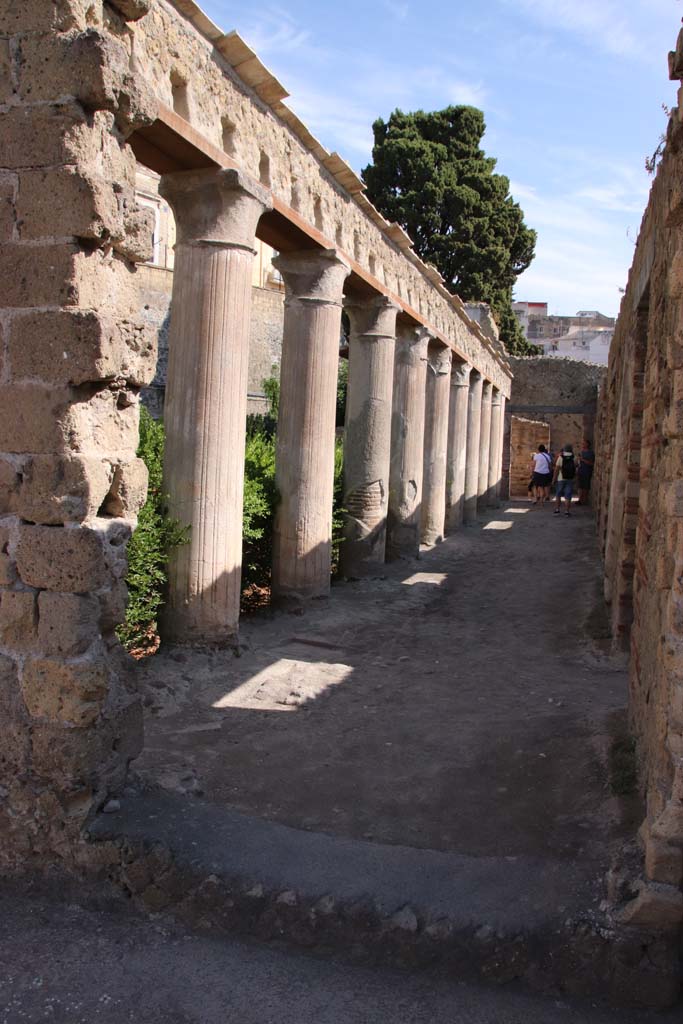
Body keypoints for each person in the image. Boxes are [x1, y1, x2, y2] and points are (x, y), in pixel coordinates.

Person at [552, 443, 576, 517]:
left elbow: (556, 470)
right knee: (568, 496)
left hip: (560, 479)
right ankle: (567, 512)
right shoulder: (574, 458)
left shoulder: (561, 457)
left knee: (558, 495)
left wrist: (553, 479)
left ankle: (557, 510)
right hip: (570, 479)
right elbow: (576, 469)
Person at [577, 438, 595, 506]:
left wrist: (583, 460)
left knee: (585, 487)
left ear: (587, 444)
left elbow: (591, 463)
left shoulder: (590, 453)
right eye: (582, 443)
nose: (582, 444)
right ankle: (580, 500)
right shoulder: (582, 452)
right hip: (581, 471)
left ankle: (584, 500)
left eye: (584, 443)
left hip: (587, 471)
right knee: (580, 486)